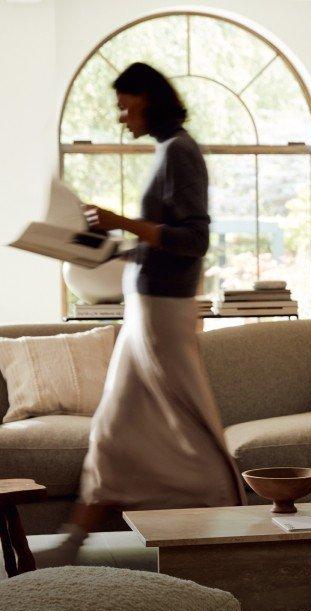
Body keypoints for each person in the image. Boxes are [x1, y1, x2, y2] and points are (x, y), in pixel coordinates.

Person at [36, 62, 246, 567]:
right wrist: (104, 247)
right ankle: (74, 540)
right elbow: (159, 241)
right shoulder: (165, 151)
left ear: (149, 99)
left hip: (162, 315)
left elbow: (194, 240)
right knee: (117, 422)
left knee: (186, 422)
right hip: (144, 311)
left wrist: (121, 221)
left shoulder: (181, 152)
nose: (120, 116)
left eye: (125, 105)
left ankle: (232, 518)